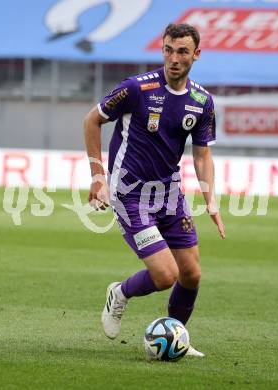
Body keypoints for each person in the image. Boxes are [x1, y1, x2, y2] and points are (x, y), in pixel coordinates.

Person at [84, 23, 225, 357]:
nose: (173, 58)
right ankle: (119, 293)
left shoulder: (201, 101)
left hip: (169, 194)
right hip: (130, 194)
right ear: (162, 49)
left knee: (190, 274)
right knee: (165, 275)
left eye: (182, 52)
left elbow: (202, 155)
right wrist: (97, 177)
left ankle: (178, 338)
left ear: (196, 55)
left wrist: (212, 201)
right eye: (168, 50)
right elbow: (92, 120)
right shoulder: (137, 88)